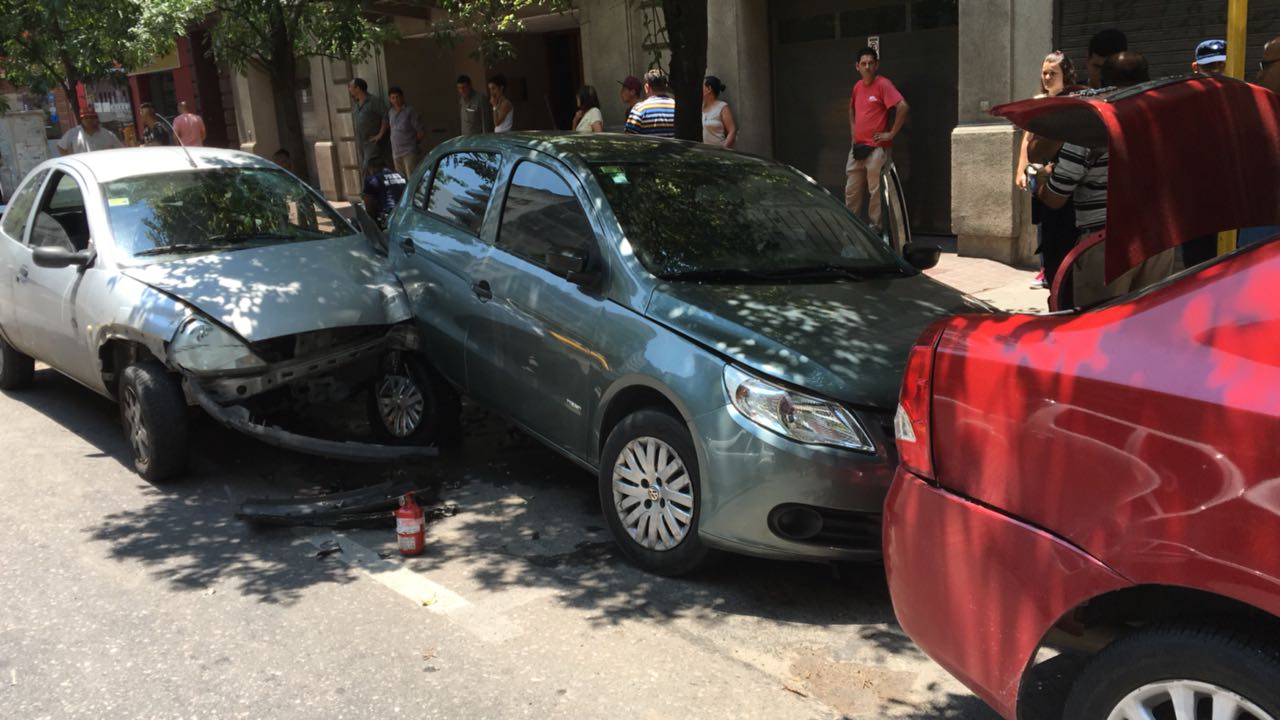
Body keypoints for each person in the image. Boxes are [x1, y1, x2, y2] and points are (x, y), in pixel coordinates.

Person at [1038, 52, 1174, 307]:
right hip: (1159, 241)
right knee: (1149, 326)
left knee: (1099, 331)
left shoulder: (1091, 125)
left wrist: (1043, 182)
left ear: (1102, 81)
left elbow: (1056, 199)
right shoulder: (1163, 121)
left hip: (1106, 247)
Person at [1016, 51, 1079, 290]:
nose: (1047, 77)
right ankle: (1047, 270)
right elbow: (1027, 138)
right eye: (1044, 72)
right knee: (1043, 224)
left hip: (1062, 177)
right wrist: (1020, 169)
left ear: (1066, 75)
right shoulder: (1038, 100)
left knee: (1060, 230)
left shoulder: (1071, 101)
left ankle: (1056, 276)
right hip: (1040, 176)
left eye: (1053, 73)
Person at [844, 46, 908, 230]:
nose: (867, 67)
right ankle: (851, 228)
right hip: (857, 148)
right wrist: (853, 132)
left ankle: (875, 230)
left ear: (877, 65)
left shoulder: (883, 84)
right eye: (863, 63)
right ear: (857, 66)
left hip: (877, 149)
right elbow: (851, 109)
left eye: (871, 63)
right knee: (852, 191)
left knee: (876, 192)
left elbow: (903, 107)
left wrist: (891, 134)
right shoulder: (857, 87)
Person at [1182, 39, 1229, 267]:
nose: (1217, 73)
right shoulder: (1182, 105)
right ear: (1195, 67)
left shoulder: (1242, 99)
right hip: (1195, 205)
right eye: (1210, 67)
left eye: (1221, 65)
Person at [348, 77, 389, 170]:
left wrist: (380, 134)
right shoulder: (356, 104)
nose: (349, 89)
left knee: (370, 168)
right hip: (361, 143)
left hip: (372, 143)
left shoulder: (373, 101)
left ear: (358, 88)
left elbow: (386, 116)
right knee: (365, 168)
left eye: (351, 87)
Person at [624, 68, 676, 138]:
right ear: (665, 87)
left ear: (646, 87)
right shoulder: (677, 107)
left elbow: (629, 139)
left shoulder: (639, 109)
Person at [387, 86, 424, 177]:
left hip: (409, 151)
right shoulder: (391, 112)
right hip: (396, 152)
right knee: (401, 180)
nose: (395, 100)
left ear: (402, 97)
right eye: (393, 98)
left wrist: (413, 144)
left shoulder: (410, 111)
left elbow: (420, 131)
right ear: (390, 99)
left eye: (397, 97)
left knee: (412, 178)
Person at [361, 159, 407, 230]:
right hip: (405, 215)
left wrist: (373, 224)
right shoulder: (401, 176)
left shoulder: (372, 179)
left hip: (389, 218)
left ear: (371, 168)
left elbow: (369, 206)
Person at [56, 107, 123, 155]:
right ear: (82, 120)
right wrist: (70, 160)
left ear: (96, 119)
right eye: (86, 118)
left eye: (92, 117)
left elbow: (120, 150)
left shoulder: (107, 134)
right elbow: (61, 146)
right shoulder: (73, 133)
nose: (89, 120)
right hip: (82, 169)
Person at [701, 76, 737, 148]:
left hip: (718, 154)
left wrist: (723, 149)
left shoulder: (722, 107)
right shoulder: (700, 107)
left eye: (702, 86)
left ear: (709, 89)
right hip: (703, 153)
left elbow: (732, 131)